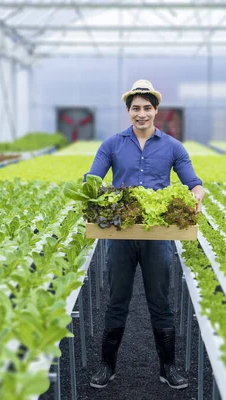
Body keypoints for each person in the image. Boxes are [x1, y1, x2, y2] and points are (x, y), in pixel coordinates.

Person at [84, 79, 205, 390]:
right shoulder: (112, 144)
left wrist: (197, 192)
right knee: (117, 300)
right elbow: (94, 174)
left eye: (147, 108)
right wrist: (90, 188)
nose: (141, 114)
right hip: (122, 234)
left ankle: (168, 367)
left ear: (156, 111)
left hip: (156, 234)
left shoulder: (172, 146)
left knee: (160, 300)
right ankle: (106, 365)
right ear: (128, 111)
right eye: (135, 108)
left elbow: (192, 179)